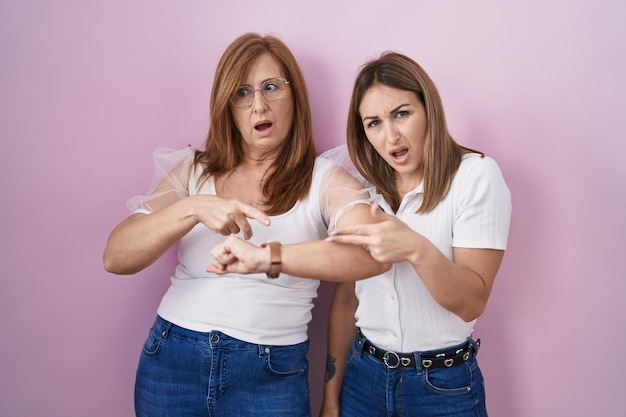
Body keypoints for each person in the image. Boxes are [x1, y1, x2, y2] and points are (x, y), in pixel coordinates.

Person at [208, 51, 511, 417]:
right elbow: (348, 299)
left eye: (402, 113)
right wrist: (332, 398)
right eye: (374, 123)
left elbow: (471, 301)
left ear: (429, 108)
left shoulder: (475, 177)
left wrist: (416, 248)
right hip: (364, 379)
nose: (391, 135)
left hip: (442, 386)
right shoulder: (359, 186)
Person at [103, 32, 388, 417]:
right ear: (227, 106)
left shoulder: (326, 180)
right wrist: (192, 207)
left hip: (269, 375)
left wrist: (267, 258)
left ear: (295, 97)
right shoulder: (193, 171)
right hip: (171, 363)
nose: (258, 105)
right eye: (242, 92)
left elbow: (373, 253)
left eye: (272, 87)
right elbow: (117, 257)